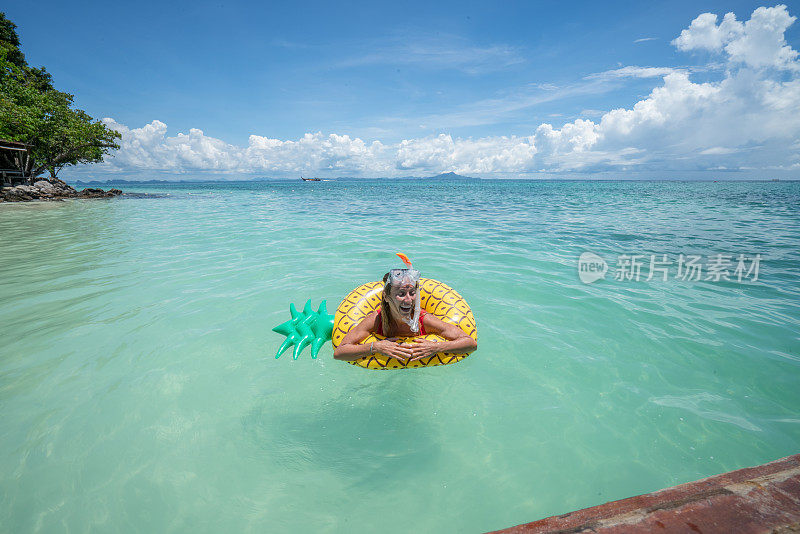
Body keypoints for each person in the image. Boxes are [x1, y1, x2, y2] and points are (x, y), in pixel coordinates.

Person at [333, 268, 478, 363]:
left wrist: (437, 348)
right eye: (401, 294)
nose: (408, 300)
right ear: (387, 297)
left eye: (412, 293)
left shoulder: (423, 320)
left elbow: (470, 344)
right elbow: (340, 352)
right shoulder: (377, 320)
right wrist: (375, 347)